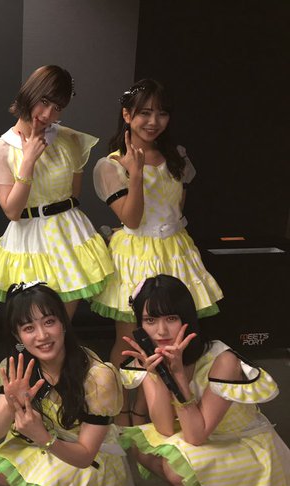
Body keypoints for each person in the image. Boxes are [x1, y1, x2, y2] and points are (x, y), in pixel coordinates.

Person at [90, 79, 222, 424]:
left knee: (172, 338)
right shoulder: (111, 165)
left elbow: (177, 207)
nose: (153, 121)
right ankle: (120, 411)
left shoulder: (176, 156)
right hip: (135, 253)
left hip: (175, 250)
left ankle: (150, 409)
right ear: (127, 115)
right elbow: (132, 219)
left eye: (161, 113)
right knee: (129, 339)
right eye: (144, 113)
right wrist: (135, 174)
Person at [120, 274, 290, 486]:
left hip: (239, 442)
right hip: (199, 436)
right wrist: (157, 376)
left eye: (171, 318)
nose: (161, 331)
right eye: (150, 320)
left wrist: (179, 376)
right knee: (144, 452)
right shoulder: (151, 358)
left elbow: (195, 436)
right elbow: (165, 428)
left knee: (175, 469)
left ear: (187, 319)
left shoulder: (223, 360)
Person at [0, 65, 113, 319]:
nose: (48, 114)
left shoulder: (69, 139)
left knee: (63, 324)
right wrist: (28, 161)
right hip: (28, 241)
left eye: (57, 107)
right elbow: (12, 211)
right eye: (44, 102)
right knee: (33, 322)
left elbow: (74, 193)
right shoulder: (0, 150)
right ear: (30, 93)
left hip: (69, 236)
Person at [0, 282, 137, 486]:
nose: (42, 335)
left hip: (89, 457)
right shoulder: (17, 368)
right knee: (4, 473)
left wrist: (42, 436)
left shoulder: (98, 377)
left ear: (63, 323)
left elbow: (85, 456)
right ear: (18, 336)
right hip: (45, 441)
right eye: (29, 328)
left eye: (49, 322)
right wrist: (11, 401)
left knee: (48, 483)